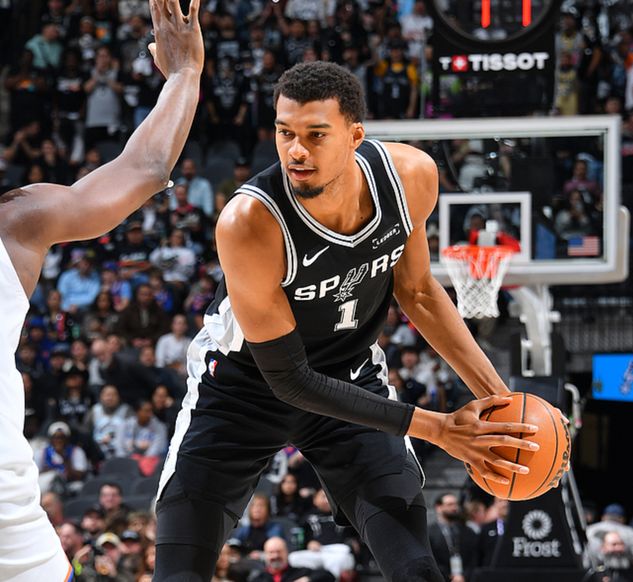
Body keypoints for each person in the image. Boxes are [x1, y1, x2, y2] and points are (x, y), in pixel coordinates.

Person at [154, 61, 554, 582]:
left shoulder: (408, 178)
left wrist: (504, 411)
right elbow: (290, 380)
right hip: (240, 392)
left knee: (416, 569)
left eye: (316, 135)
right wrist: (439, 429)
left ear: (355, 136)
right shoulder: (249, 222)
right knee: (179, 573)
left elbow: (419, 293)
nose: (296, 151)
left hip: (350, 382)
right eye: (285, 133)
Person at [0, 0, 203, 579]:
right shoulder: (14, 222)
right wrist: (185, 74)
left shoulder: (13, 224)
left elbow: (144, 169)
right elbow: (144, 168)